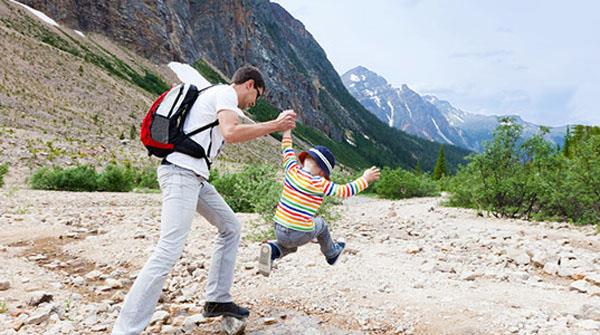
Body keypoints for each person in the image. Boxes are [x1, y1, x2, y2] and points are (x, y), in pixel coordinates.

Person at [112, 65, 296, 335]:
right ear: (249, 84)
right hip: (181, 174)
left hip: (194, 177)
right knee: (168, 250)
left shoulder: (219, 97)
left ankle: (216, 300)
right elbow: (232, 133)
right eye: (258, 94)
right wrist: (276, 126)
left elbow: (227, 133)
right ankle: (125, 330)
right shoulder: (226, 93)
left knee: (231, 226)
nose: (255, 102)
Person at [258, 129, 380, 277]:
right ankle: (332, 253)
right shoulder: (320, 183)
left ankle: (272, 249)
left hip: (279, 228)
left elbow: (287, 149)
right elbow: (345, 191)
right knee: (321, 224)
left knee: (290, 246)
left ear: (305, 159)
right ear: (323, 172)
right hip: (298, 232)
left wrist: (287, 131)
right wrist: (365, 179)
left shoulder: (291, 169)